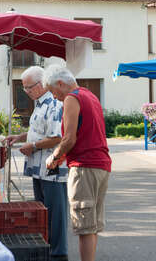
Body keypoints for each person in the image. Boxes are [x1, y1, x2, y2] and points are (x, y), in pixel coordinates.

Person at [43, 65, 112, 261]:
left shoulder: (72, 98)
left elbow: (69, 138)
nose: (54, 97)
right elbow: (86, 133)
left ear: (60, 83)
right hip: (101, 165)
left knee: (84, 226)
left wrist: (54, 157)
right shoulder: (90, 95)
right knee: (92, 226)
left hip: (84, 167)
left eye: (52, 91)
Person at [4, 66, 68, 261]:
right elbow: (39, 131)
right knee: (42, 214)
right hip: (38, 168)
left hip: (51, 168)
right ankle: (47, 249)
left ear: (40, 85)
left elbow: (58, 136)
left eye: (28, 88)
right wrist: (21, 137)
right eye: (24, 88)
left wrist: (32, 145)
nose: (26, 92)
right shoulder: (40, 104)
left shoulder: (54, 104)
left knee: (55, 214)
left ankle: (59, 253)